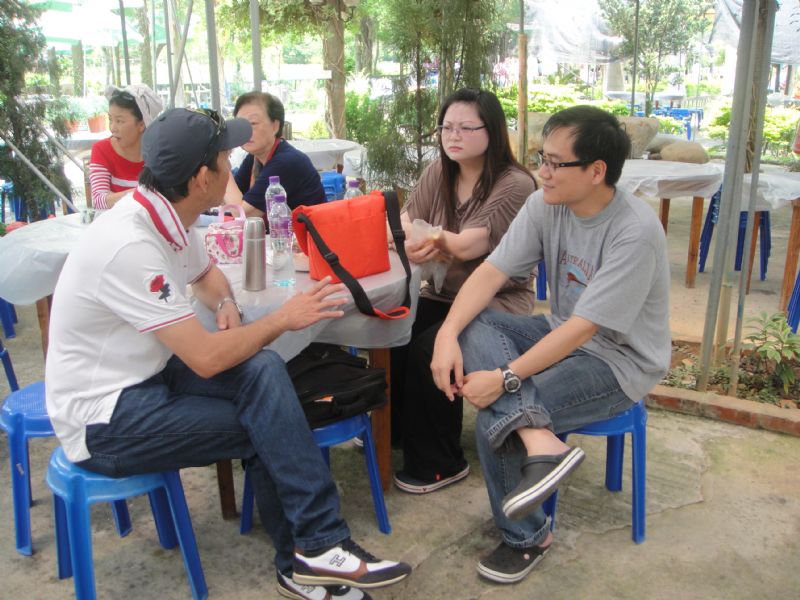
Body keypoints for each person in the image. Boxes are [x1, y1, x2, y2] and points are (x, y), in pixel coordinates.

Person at [45, 108, 411, 600]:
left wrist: (226, 305)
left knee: (264, 370)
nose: (232, 166)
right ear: (202, 178)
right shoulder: (129, 244)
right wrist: (282, 318)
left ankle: (313, 554)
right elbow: (206, 359)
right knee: (269, 424)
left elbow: (207, 277)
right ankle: (312, 552)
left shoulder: (164, 214)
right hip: (104, 418)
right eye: (224, 158)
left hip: (149, 376)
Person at [429, 105, 670, 584]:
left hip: (619, 361)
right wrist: (446, 333)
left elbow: (584, 329)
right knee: (477, 324)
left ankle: (527, 538)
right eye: (542, 157)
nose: (542, 171)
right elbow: (492, 272)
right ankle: (540, 440)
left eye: (556, 163)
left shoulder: (635, 231)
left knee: (495, 419)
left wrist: (505, 379)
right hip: (562, 332)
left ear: (596, 171)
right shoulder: (545, 204)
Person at [391, 88, 537, 495]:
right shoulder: (439, 172)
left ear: (492, 131)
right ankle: (397, 430)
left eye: (466, 128)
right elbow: (402, 221)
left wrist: (428, 236)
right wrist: (416, 237)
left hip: (499, 300)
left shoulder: (515, 184)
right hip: (444, 293)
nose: (453, 136)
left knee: (429, 348)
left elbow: (472, 245)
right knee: (395, 329)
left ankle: (439, 462)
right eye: (446, 127)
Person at [225, 91, 326, 217]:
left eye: (253, 123)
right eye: (241, 125)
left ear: (275, 127)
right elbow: (225, 198)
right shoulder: (254, 158)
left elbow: (243, 214)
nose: (245, 131)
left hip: (307, 229)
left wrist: (222, 164)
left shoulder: (286, 161)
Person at [88, 84, 163, 209]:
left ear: (141, 124)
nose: (112, 128)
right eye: (111, 120)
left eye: (119, 121)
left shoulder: (159, 155)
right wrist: (144, 193)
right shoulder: (101, 150)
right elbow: (99, 200)